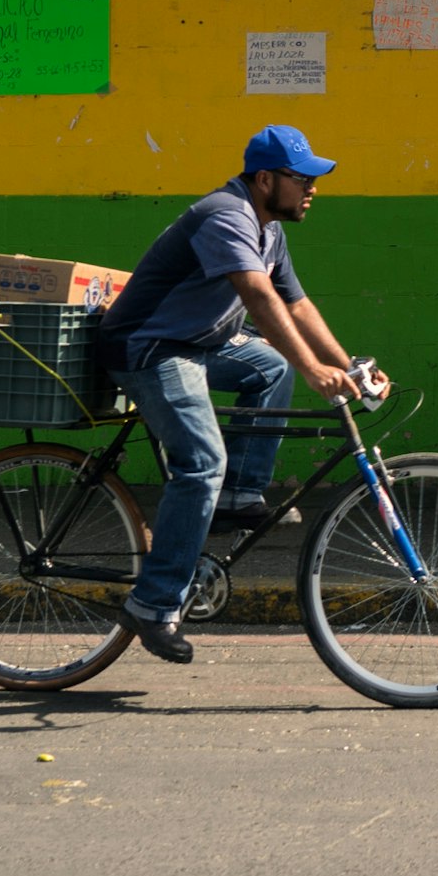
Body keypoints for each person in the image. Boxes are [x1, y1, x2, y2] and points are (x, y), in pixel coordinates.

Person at [90, 125, 364, 663]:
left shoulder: (268, 230)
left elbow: (298, 305)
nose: (312, 188)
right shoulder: (225, 215)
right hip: (150, 348)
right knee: (201, 463)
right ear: (266, 179)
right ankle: (153, 603)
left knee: (269, 365)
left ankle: (238, 495)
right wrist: (314, 371)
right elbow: (259, 299)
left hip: (196, 345)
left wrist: (346, 365)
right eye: (302, 178)